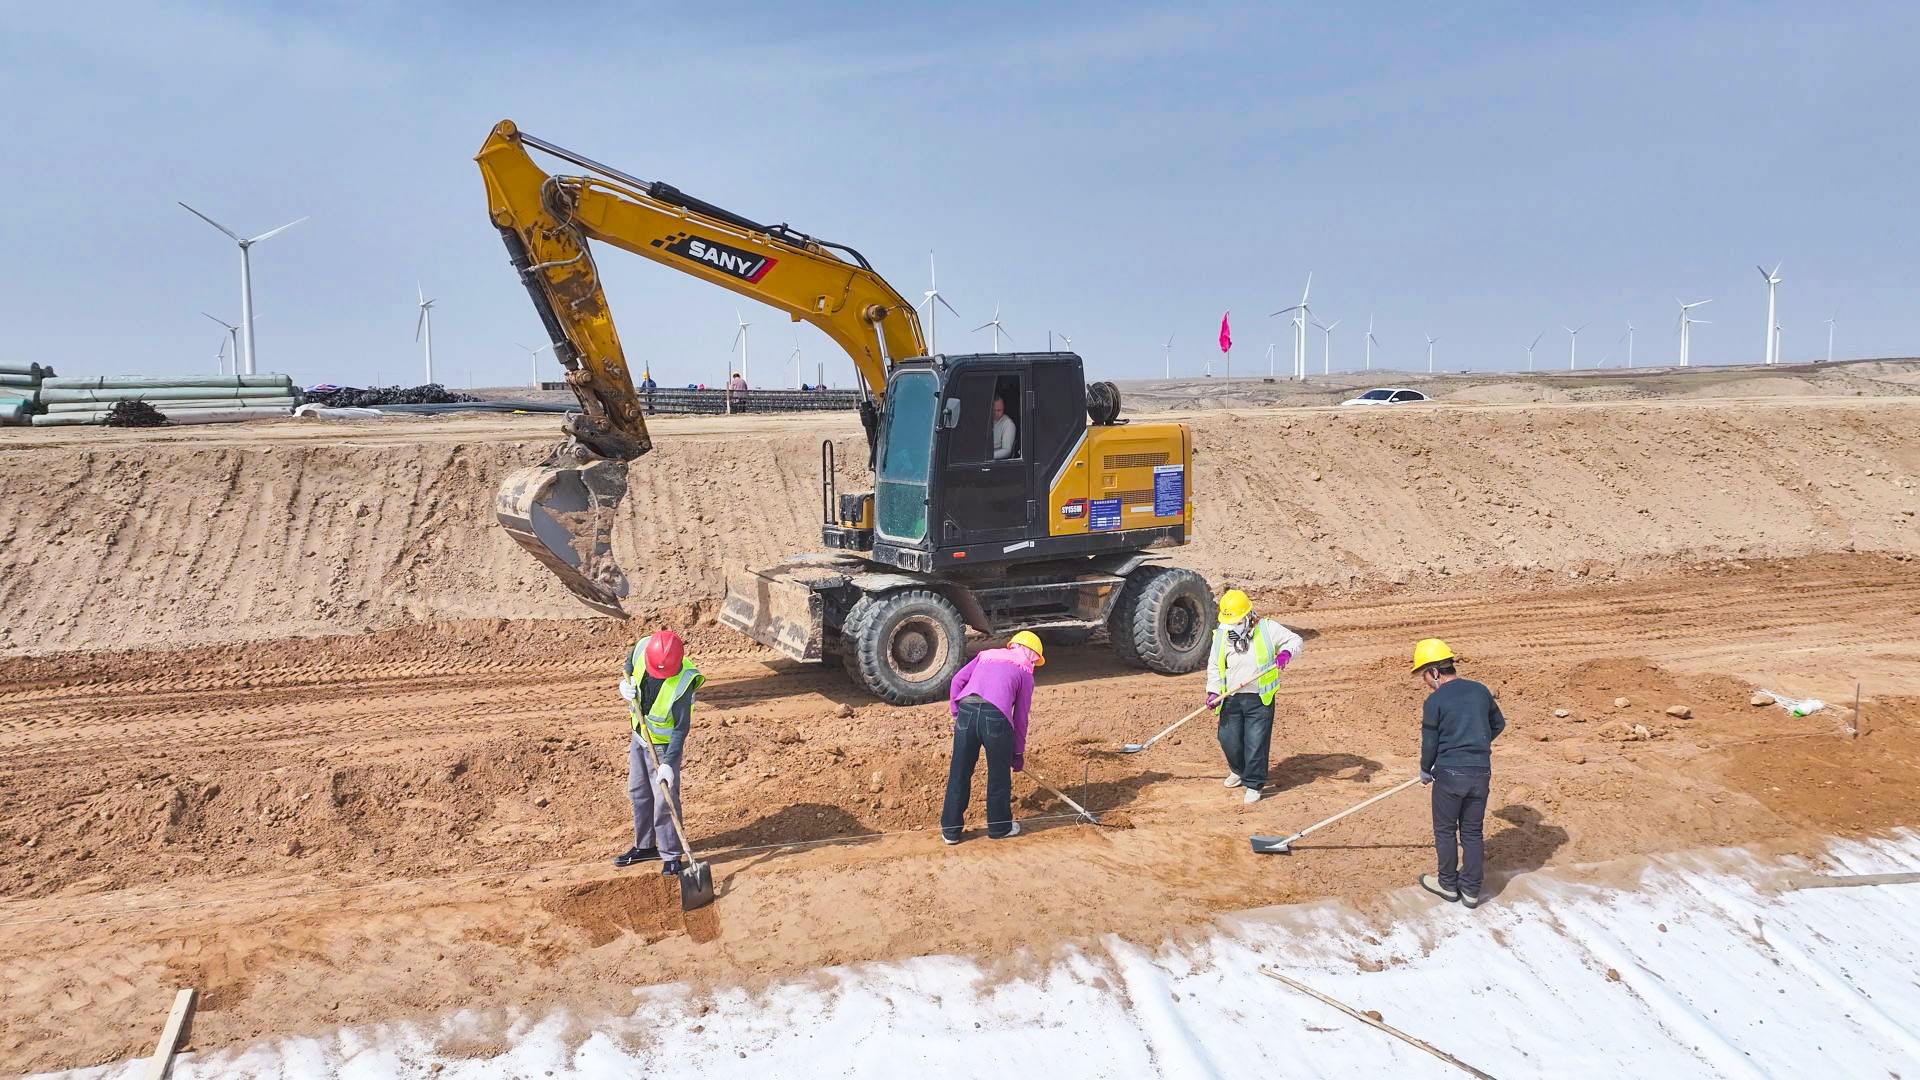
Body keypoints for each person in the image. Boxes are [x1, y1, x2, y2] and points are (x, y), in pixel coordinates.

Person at [1412, 637, 1504, 909]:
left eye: (1424, 675)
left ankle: (1448, 884)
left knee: (1445, 830)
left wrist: (1425, 769)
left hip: (1449, 774)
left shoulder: (1435, 701)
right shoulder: (1480, 690)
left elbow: (1430, 743)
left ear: (1434, 672)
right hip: (1480, 772)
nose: (1425, 682)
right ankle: (1472, 891)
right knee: (1473, 832)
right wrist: (1476, 745)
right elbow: (1498, 724)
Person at [614, 629, 704, 875]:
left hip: (664, 748)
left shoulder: (683, 683)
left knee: (665, 800)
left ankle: (672, 854)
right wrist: (624, 685)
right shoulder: (644, 647)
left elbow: (680, 729)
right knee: (638, 792)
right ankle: (645, 846)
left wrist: (668, 764)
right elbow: (629, 662)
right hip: (639, 738)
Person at [940, 631, 1043, 844]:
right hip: (996, 718)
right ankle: (999, 828)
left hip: (967, 711)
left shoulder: (986, 655)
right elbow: (1020, 717)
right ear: (1032, 655)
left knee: (959, 772)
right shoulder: (1025, 673)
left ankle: (950, 832)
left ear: (1013, 646)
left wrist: (956, 713)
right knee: (998, 776)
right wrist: (1017, 753)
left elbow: (957, 681)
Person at [1205, 589, 1304, 804]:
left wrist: (1286, 653)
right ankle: (1238, 770)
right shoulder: (1222, 634)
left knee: (1256, 742)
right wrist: (1213, 691)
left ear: (1247, 616)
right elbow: (1214, 665)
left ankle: (1253, 784)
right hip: (1231, 698)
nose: (1231, 626)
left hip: (1259, 699)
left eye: (1236, 622)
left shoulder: (1267, 628)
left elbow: (1295, 640)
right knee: (1228, 739)